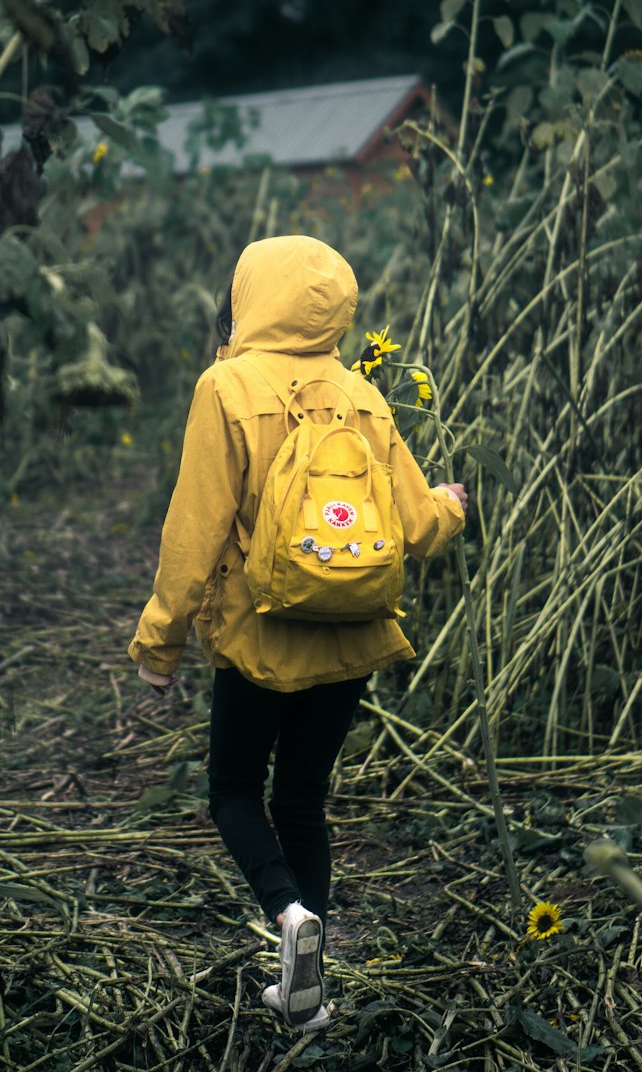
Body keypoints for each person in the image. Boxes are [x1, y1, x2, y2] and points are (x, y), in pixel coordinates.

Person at [128, 235, 467, 1031]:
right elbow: (416, 525)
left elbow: (194, 531)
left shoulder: (226, 386)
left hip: (259, 638)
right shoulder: (362, 394)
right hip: (352, 637)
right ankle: (308, 986)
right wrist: (452, 504)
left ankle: (286, 914)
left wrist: (160, 645)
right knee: (304, 797)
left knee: (234, 790)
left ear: (251, 295)